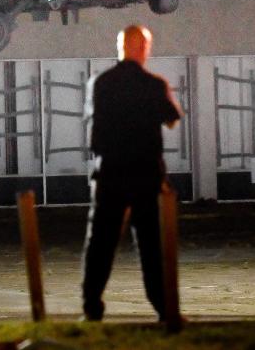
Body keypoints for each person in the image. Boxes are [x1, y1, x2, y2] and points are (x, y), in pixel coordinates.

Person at [81, 25, 182, 322]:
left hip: (110, 171)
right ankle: (163, 307)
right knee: (151, 245)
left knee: (100, 242)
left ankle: (92, 306)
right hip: (145, 174)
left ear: (121, 47)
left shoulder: (102, 83)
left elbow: (95, 131)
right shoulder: (153, 85)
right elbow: (172, 119)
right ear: (143, 48)